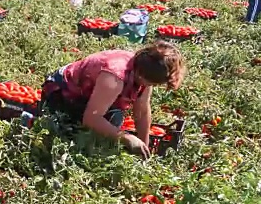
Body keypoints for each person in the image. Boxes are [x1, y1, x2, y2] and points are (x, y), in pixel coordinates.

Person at [41, 40, 186, 159]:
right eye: (152, 84)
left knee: (113, 120)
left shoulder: (143, 68)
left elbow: (141, 111)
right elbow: (91, 118)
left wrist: (144, 146)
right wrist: (126, 137)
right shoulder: (114, 77)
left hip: (88, 93)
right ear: (142, 76)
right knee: (111, 122)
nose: (152, 87)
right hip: (62, 92)